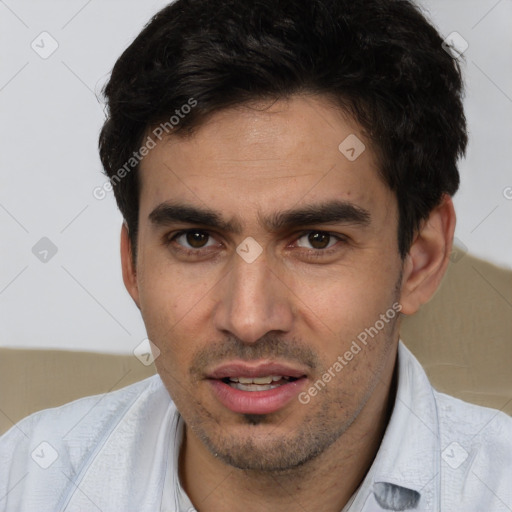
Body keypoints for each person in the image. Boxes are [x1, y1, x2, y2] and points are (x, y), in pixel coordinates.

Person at [1, 0, 511, 510]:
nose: (248, 320)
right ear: (133, 264)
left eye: (316, 240)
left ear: (420, 261)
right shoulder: (26, 481)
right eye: (195, 239)